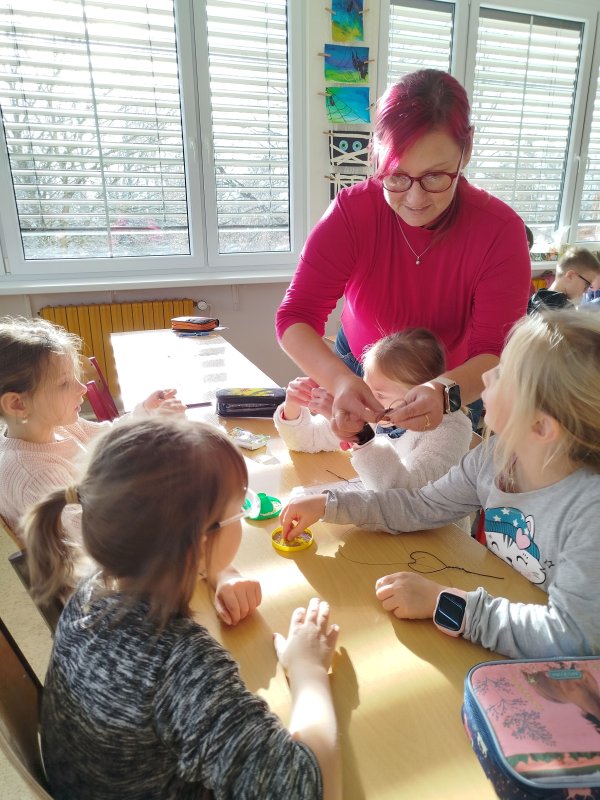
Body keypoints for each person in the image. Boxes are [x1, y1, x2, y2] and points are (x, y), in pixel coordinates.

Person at [24, 416, 341, 800]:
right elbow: (309, 790)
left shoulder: (93, 589)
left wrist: (218, 572)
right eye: (238, 510)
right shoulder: (179, 662)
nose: (242, 517)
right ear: (196, 542)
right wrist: (308, 669)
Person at [278, 311, 600, 660]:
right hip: (502, 623)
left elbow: (571, 636)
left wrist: (443, 602)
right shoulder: (494, 456)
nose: (487, 376)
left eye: (505, 375)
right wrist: (331, 504)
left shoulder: (590, 511)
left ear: (541, 427)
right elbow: (421, 505)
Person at [276, 68, 531, 442]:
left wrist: (443, 392)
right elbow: (296, 315)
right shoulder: (353, 212)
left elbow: (494, 352)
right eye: (396, 176)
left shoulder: (499, 231)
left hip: (455, 384)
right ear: (376, 152)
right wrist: (340, 380)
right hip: (360, 371)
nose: (415, 199)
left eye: (435, 177)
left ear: (467, 150)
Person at [0, 315, 184, 541]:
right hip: (95, 553)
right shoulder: (36, 475)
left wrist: (146, 412)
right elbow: (95, 535)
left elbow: (108, 437)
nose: (82, 389)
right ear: (17, 404)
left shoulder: (53, 427)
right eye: (64, 383)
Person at [274, 328, 472, 491]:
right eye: (365, 387)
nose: (367, 400)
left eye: (380, 395)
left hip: (431, 527)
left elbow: (404, 495)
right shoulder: (375, 412)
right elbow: (308, 440)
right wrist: (293, 405)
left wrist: (362, 436)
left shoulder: (448, 432)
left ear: (419, 395)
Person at [528, 246, 600, 313]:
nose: (586, 291)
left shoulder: (537, 296)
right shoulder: (565, 310)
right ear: (570, 276)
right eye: (587, 284)